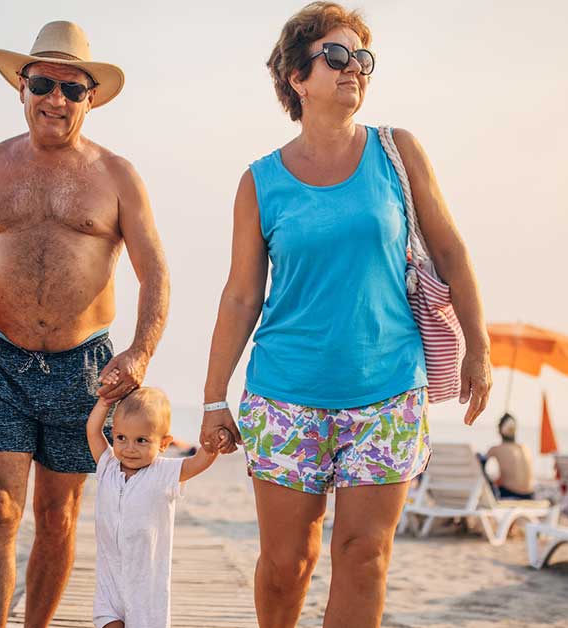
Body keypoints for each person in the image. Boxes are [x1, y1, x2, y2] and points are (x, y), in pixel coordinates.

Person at [199, 3, 492, 625]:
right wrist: (212, 398)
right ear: (296, 78)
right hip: (284, 393)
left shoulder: (398, 151)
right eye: (335, 56)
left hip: (387, 390)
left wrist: (480, 348)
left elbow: (450, 250)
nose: (353, 68)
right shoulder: (259, 182)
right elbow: (242, 296)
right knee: (287, 562)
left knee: (364, 556)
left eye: (362, 57)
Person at [0, 21, 169, 628]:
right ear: (21, 87)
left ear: (91, 98)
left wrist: (140, 352)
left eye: (72, 90)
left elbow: (155, 272)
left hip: (84, 368)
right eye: (44, 83)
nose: (56, 99)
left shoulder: (118, 176)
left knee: (59, 516)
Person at [85, 386, 220, 628]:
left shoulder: (164, 472)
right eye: (121, 438)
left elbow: (196, 463)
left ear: (164, 443)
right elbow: (92, 430)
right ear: (113, 434)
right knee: (107, 621)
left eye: (141, 440)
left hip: (146, 587)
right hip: (110, 582)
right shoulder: (107, 466)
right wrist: (105, 401)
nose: (129, 448)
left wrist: (211, 448)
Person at [485, 414, 536, 499]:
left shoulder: (496, 449)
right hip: (530, 496)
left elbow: (479, 467)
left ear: (500, 430)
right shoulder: (524, 448)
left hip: (510, 494)